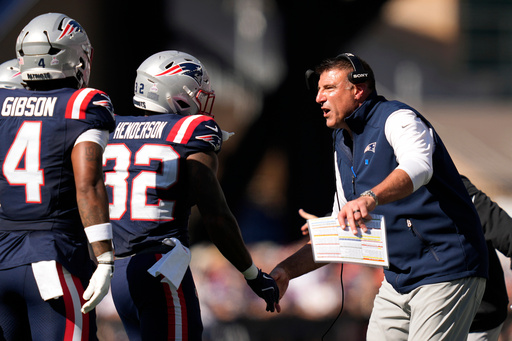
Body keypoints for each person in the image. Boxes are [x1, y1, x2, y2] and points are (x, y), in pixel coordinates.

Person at [270, 53, 488, 340]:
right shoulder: (341, 140)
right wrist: (286, 270)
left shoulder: (398, 117)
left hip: (447, 268)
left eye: (329, 88)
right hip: (397, 279)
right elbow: (341, 229)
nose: (318, 98)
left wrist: (369, 197)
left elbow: (419, 167)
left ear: (358, 90)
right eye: (318, 90)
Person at [103, 50, 279, 341]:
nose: (204, 98)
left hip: (120, 270)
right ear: (176, 92)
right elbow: (216, 216)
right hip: (161, 267)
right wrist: (252, 274)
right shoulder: (190, 130)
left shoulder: (114, 127)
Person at [0, 13, 115, 340]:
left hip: (3, 259)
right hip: (53, 257)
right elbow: (88, 183)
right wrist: (105, 257)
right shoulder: (83, 104)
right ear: (76, 58)